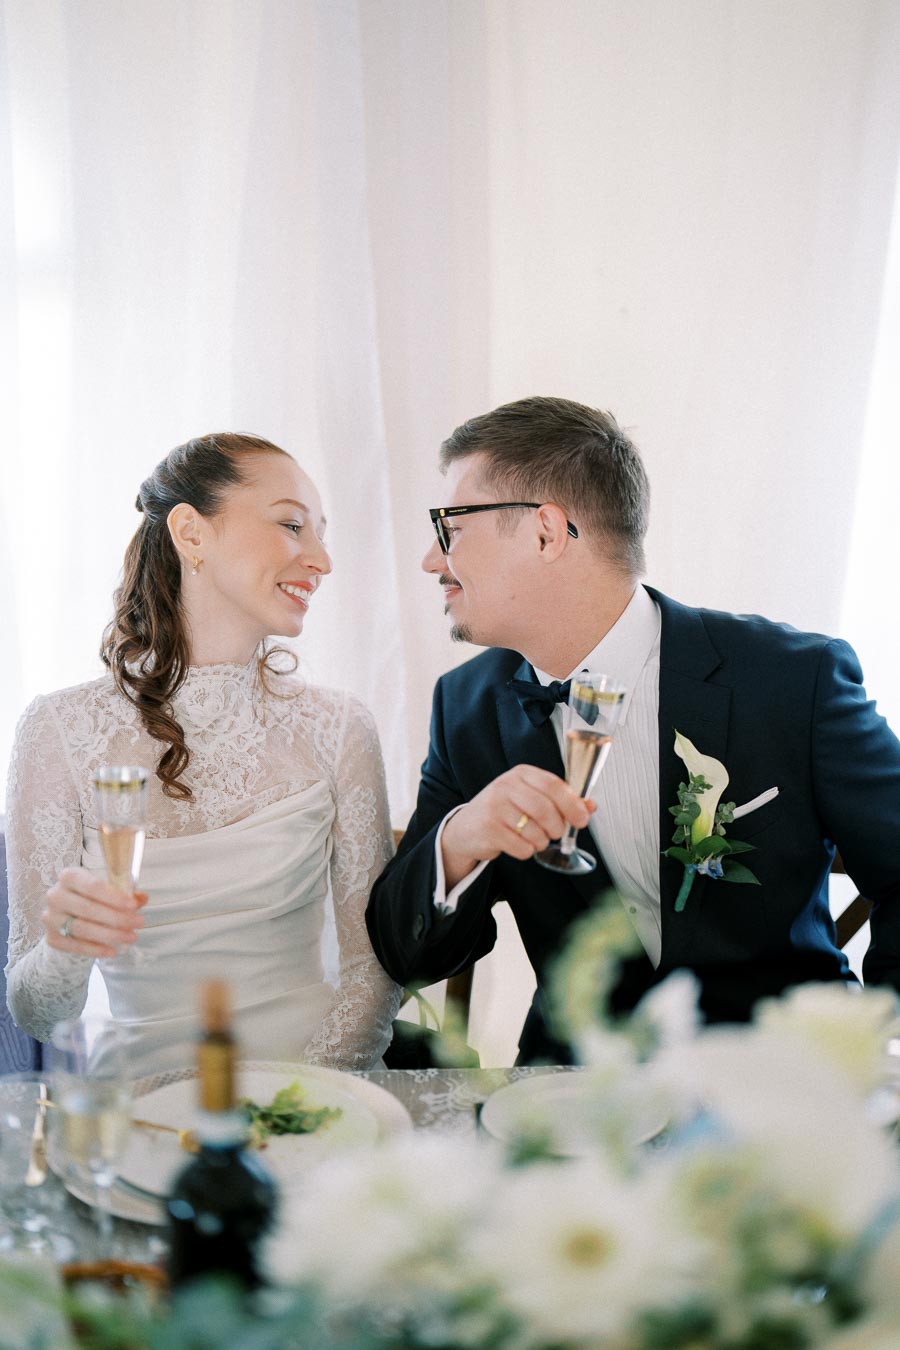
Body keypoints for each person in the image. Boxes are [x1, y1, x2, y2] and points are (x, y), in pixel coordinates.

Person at [366, 396, 900, 1063]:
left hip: (780, 1076)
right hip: (575, 1089)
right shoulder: (468, 707)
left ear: (545, 532)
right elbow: (406, 954)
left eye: (449, 527)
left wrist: (870, 1054)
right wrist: (463, 837)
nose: (430, 560)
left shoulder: (794, 680)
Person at [5, 433, 401, 1075]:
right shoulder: (55, 732)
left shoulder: (340, 727)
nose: (322, 559)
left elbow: (373, 975)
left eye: (320, 534)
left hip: (318, 1100)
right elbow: (38, 1013)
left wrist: (298, 1109)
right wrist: (68, 944)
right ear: (191, 533)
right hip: (140, 1112)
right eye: (293, 524)